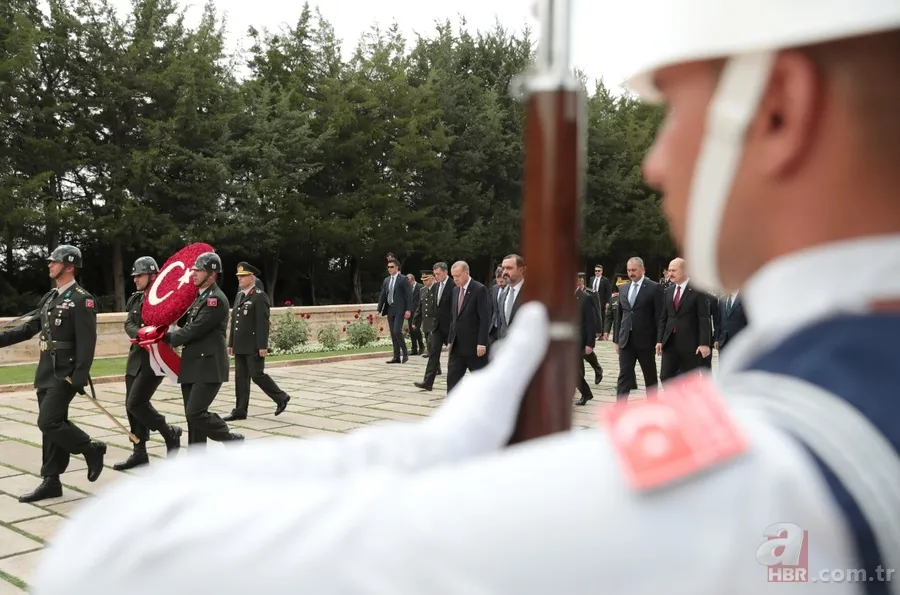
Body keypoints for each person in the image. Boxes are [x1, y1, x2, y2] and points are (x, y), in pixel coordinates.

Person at [29, 4, 900, 594]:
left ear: (778, 109)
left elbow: (119, 557)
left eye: (674, 109)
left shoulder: (762, 469)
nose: (655, 161)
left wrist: (427, 452)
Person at [0, 245, 106, 502]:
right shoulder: (50, 298)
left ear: (69, 266)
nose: (49, 265)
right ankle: (51, 480)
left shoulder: (82, 299)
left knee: (48, 421)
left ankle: (90, 448)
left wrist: (80, 374)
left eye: (54, 261)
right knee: (52, 428)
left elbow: (87, 342)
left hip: (65, 373)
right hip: (46, 370)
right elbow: (29, 329)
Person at [139, 252, 244, 448]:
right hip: (192, 364)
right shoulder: (200, 297)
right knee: (192, 419)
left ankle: (229, 438)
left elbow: (194, 329)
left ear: (212, 274)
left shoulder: (215, 300)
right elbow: (185, 324)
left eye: (199, 270)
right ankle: (197, 456)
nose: (193, 273)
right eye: (194, 269)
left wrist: (164, 337)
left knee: (195, 412)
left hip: (208, 365)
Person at [115, 257, 183, 470]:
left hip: (155, 359)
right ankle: (139, 452)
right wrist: (141, 333)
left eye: (140, 275)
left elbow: (169, 325)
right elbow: (129, 323)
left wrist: (150, 335)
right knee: (131, 408)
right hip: (136, 357)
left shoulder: (165, 299)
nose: (135, 279)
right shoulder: (136, 299)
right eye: (134, 275)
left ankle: (169, 432)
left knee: (136, 403)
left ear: (153, 276)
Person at [224, 262, 291, 421]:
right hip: (240, 344)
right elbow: (235, 321)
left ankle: (281, 397)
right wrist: (231, 343)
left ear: (252, 278)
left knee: (257, 375)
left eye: (243, 276)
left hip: (253, 345)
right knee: (240, 378)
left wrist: (262, 345)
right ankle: (240, 410)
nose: (239, 279)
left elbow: (262, 323)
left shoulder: (259, 296)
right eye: (238, 276)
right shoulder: (240, 295)